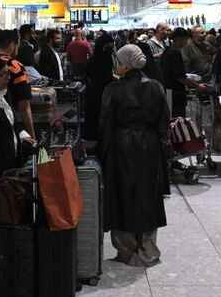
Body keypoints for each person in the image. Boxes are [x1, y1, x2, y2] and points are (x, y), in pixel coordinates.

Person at [99, 44, 169, 267]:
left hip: (121, 146)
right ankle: (148, 250)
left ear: (123, 64)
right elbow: (164, 123)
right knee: (148, 195)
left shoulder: (113, 89)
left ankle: (127, 251)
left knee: (122, 195)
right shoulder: (156, 87)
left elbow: (105, 124)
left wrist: (102, 153)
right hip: (150, 144)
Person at [160, 27, 206, 118]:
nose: (187, 42)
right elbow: (180, 77)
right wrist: (197, 86)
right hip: (175, 94)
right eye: (186, 39)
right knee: (177, 120)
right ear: (179, 38)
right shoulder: (175, 53)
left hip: (167, 91)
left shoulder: (167, 50)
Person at [83, 33, 117, 142]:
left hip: (92, 95)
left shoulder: (93, 59)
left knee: (92, 120)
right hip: (102, 95)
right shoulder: (106, 59)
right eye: (109, 46)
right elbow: (106, 77)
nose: (111, 49)